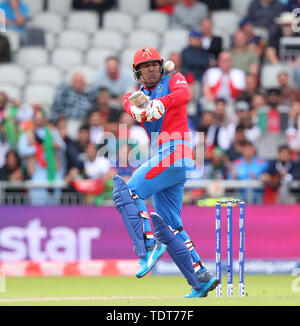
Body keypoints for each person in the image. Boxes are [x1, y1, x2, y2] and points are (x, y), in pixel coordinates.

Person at [112, 46, 219, 298]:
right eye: (144, 67)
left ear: (161, 66)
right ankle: (200, 277)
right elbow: (130, 105)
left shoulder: (174, 79)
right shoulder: (135, 95)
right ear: (137, 72)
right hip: (164, 156)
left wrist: (161, 102)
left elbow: (183, 96)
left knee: (126, 193)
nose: (150, 70)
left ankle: (147, 246)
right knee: (169, 224)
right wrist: (142, 107)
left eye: (153, 65)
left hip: (177, 151)